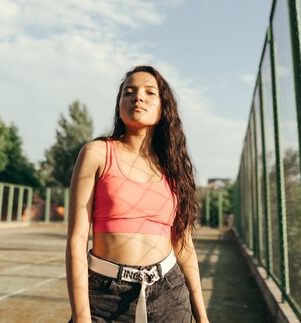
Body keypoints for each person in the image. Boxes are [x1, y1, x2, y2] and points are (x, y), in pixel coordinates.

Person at [66, 66, 209, 323]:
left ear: (163, 107)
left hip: (169, 293)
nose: (138, 97)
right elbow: (77, 240)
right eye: (128, 92)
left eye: (149, 92)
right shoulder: (97, 153)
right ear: (119, 104)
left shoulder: (173, 168)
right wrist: (81, 316)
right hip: (105, 295)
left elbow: (184, 247)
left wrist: (202, 316)